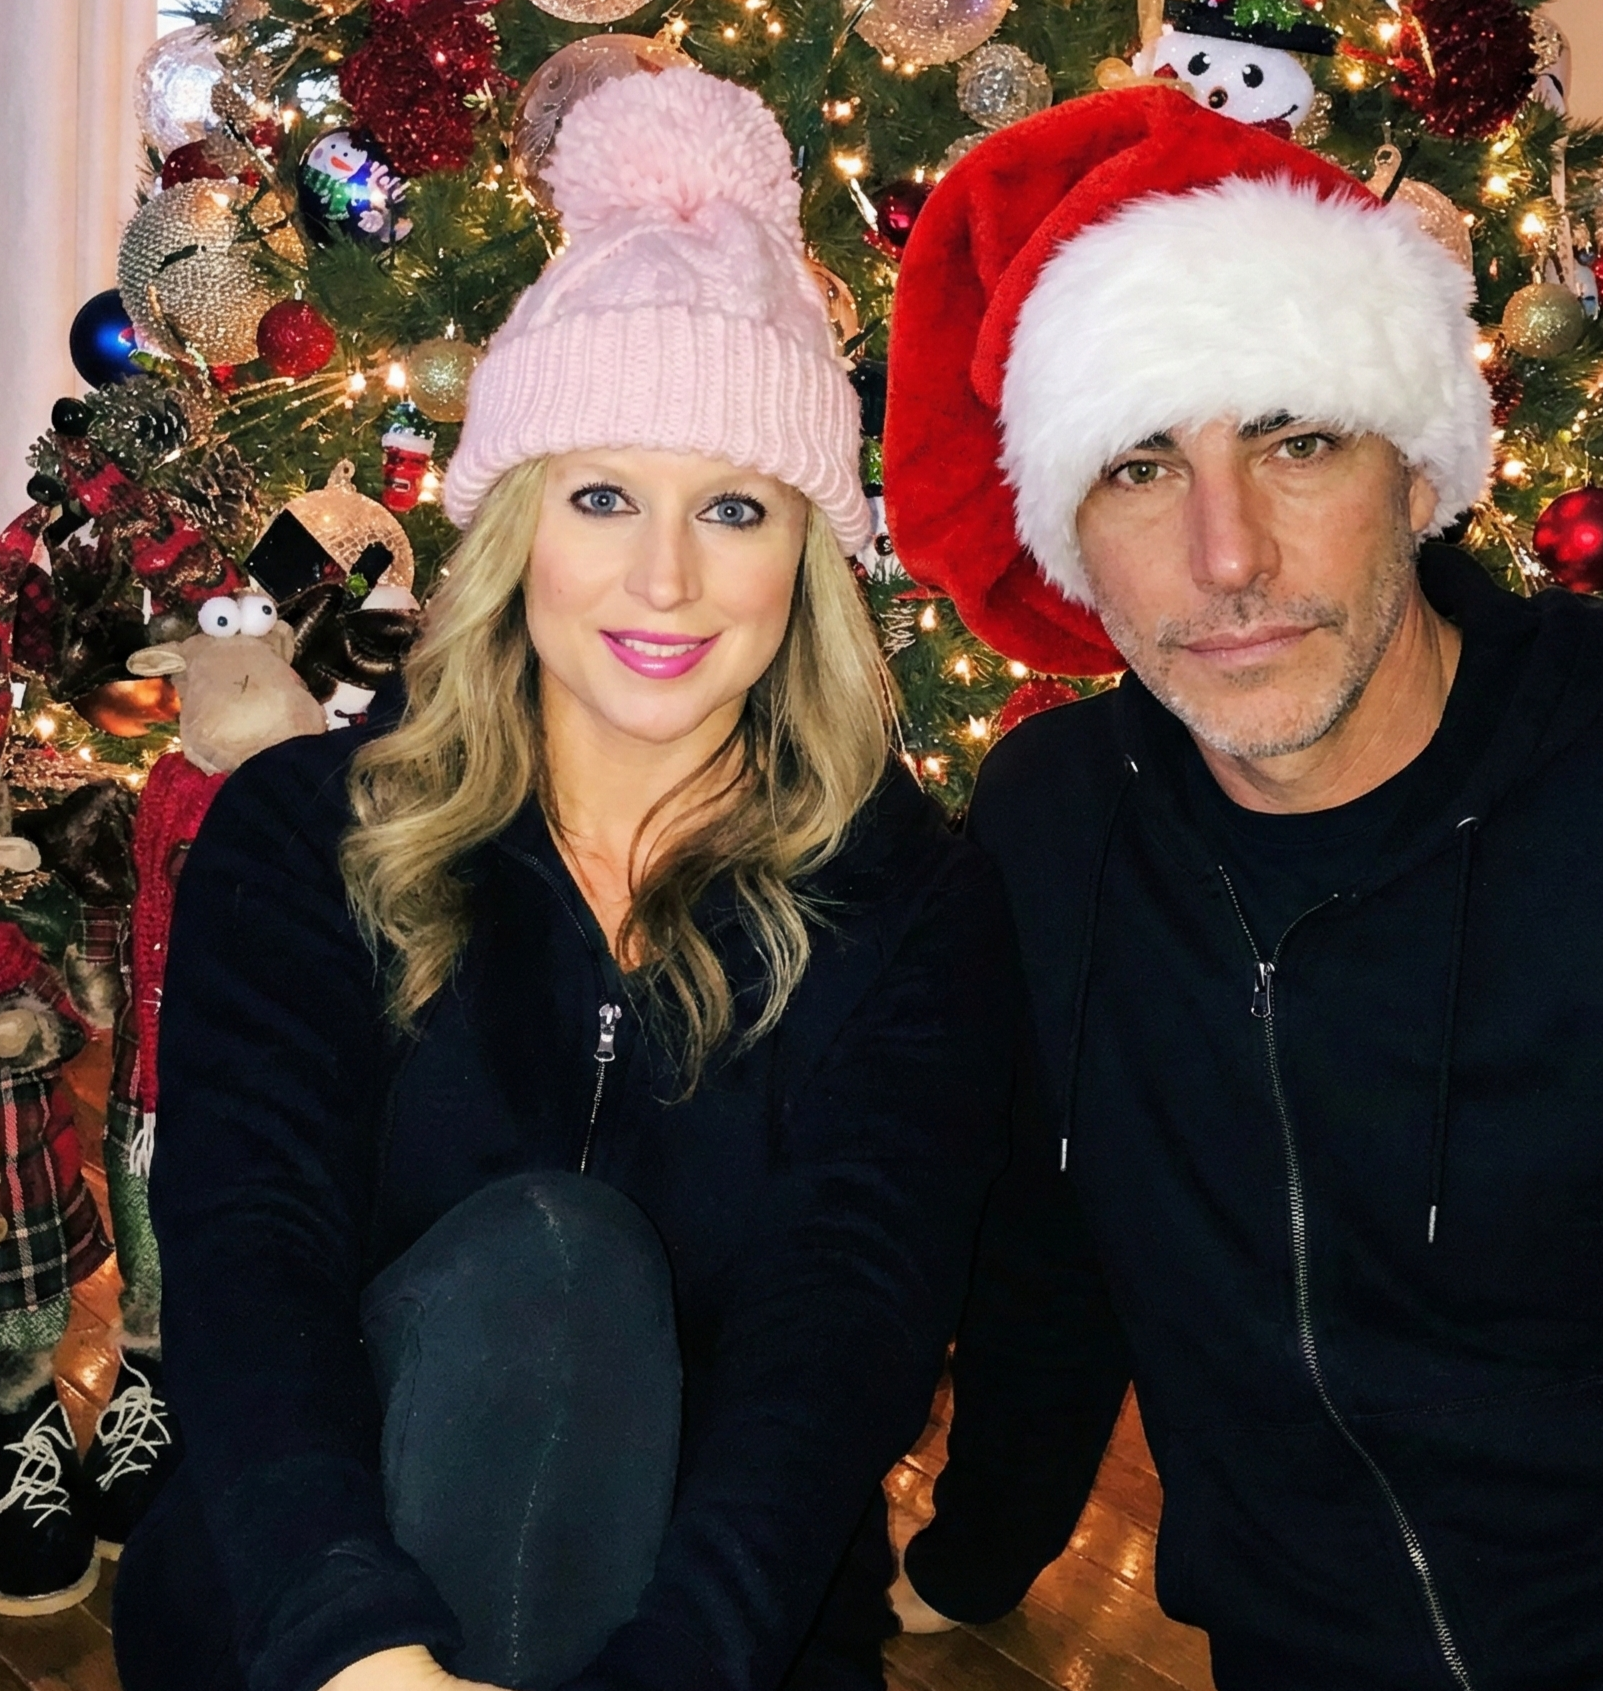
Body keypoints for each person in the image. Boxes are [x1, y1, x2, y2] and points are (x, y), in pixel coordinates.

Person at [878, 87, 1603, 1691]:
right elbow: (1055, 1253)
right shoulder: (1054, 824)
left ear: (1418, 474)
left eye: (1296, 440)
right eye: (1137, 466)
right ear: (1063, 535)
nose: (1225, 556)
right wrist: (974, 1553)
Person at [109, 66, 1017, 1691]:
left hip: (712, 1627)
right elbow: (251, 1258)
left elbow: (843, 1334)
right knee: (550, 1257)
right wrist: (356, 1645)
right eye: (601, 495)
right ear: (515, 527)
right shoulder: (305, 833)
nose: (662, 577)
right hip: (316, 1605)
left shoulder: (908, 898)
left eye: (732, 507)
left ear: (804, 554)